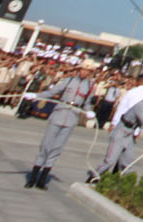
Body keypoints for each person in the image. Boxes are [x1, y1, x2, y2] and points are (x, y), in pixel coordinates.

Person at [23, 59, 98, 189]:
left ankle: (42, 180)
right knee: (46, 145)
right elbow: (52, 92)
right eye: (83, 69)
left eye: (87, 70)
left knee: (57, 148)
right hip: (59, 113)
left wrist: (89, 112)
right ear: (79, 70)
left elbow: (86, 103)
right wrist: (36, 95)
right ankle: (33, 178)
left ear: (90, 72)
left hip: (72, 117)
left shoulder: (90, 86)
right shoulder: (69, 80)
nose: (84, 72)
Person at [89, 83, 143, 180]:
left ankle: (123, 183)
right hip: (121, 131)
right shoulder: (142, 105)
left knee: (127, 163)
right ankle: (93, 177)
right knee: (110, 161)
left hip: (129, 134)